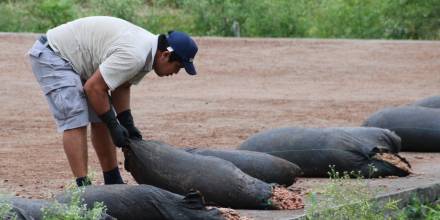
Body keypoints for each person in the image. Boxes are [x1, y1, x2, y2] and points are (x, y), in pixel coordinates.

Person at [27, 16, 198, 187]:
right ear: (165, 55)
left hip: (78, 60)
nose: (176, 72)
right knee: (75, 119)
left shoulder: (147, 54)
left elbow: (121, 86)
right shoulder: (136, 55)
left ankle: (113, 181)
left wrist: (126, 123)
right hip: (54, 54)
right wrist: (113, 124)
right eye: (178, 67)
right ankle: (83, 191)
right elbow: (93, 88)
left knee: (102, 116)